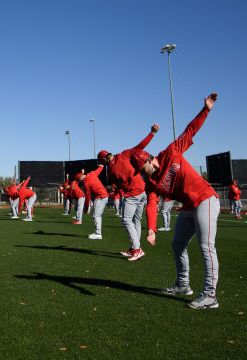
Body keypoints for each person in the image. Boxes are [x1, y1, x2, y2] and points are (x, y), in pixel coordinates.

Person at [133, 93, 220, 309]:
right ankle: (183, 284)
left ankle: (210, 295)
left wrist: (205, 109)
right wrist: (151, 228)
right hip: (188, 207)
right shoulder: (151, 182)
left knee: (206, 247)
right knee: (177, 244)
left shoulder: (171, 152)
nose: (142, 175)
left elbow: (190, 131)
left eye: (142, 169)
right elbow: (151, 203)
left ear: (150, 159)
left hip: (205, 199)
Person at [98, 122, 160, 261]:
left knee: (126, 220)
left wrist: (121, 191)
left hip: (132, 195)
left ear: (104, 160)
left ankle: (137, 249)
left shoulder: (110, 171)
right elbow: (141, 146)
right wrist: (152, 133)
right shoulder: (124, 154)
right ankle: (134, 248)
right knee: (136, 221)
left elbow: (117, 186)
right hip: (142, 191)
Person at [79, 164, 109, 239]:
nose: (80, 181)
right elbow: (98, 171)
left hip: (100, 197)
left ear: (81, 177)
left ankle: (98, 233)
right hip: (104, 196)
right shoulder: (91, 174)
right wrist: (101, 166)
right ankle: (98, 232)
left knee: (96, 215)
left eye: (80, 179)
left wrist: (85, 209)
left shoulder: (86, 183)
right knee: (96, 215)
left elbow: (88, 197)